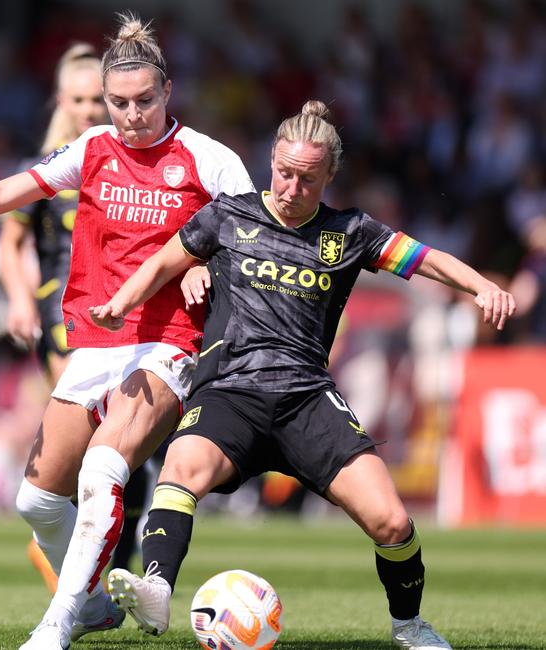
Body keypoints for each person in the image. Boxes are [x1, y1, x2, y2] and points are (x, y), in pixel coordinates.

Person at [90, 100, 516, 650]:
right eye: (284, 173)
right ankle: (156, 588)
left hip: (306, 399)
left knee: (391, 524)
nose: (291, 189)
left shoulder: (349, 232)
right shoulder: (228, 216)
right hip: (230, 392)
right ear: (271, 160)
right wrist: (120, 304)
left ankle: (410, 625)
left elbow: (424, 257)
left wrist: (481, 286)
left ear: (329, 177)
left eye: (307, 180)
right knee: (181, 466)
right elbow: (162, 263)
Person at [0, 12, 254, 650]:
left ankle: (58, 623)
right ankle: (98, 602)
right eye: (119, 103)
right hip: (95, 342)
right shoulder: (91, 149)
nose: (133, 115)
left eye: (145, 101)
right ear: (105, 101)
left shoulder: (211, 161)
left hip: (168, 343)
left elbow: (250, 242)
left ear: (168, 92)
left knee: (105, 467)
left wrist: (202, 266)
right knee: (36, 503)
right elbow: (9, 193)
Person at [0, 42, 151, 595]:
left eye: (97, 99)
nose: (90, 109)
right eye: (81, 99)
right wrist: (19, 299)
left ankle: (111, 561)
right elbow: (10, 242)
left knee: (124, 448)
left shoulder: (123, 160)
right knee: (93, 434)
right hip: (61, 310)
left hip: (120, 311)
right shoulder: (48, 166)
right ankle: (60, 544)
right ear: (62, 99)